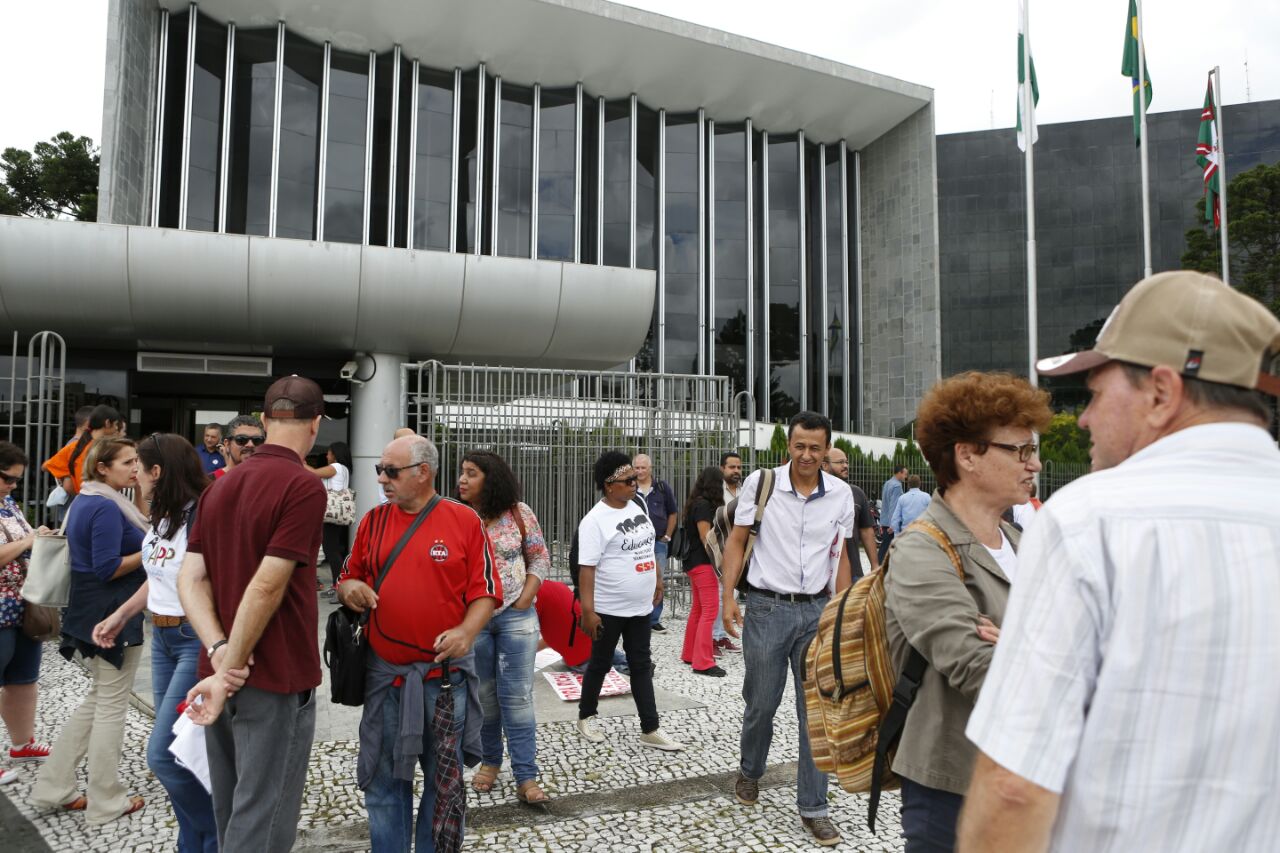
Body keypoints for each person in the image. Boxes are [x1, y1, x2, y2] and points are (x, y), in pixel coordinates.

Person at [959, 271, 1280, 852]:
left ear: (1161, 393)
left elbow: (1014, 787)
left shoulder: (1091, 521)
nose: (1082, 419)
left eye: (1096, 394)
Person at [883, 372, 1050, 852]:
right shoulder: (922, 548)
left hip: (1028, 774)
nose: (1034, 463)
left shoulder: (1023, 541)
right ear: (968, 455)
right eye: (1019, 450)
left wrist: (1016, 643)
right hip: (955, 785)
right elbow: (976, 665)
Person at [178, 375, 328, 852]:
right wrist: (230, 668)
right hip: (272, 676)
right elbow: (268, 584)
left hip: (220, 668)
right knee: (262, 816)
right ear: (316, 425)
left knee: (232, 807)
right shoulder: (303, 487)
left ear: (264, 421)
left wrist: (220, 653)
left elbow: (190, 579)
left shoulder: (218, 488)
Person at [337, 435, 499, 852]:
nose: (382, 479)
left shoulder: (464, 521)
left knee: (443, 784)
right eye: (379, 471)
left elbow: (485, 592)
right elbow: (346, 577)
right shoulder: (372, 521)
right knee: (383, 782)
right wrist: (352, 587)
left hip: (444, 681)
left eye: (391, 471)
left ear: (423, 472)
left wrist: (466, 632)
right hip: (385, 678)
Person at [720, 411, 855, 847]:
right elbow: (737, 542)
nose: (807, 455)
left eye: (816, 448)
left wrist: (845, 611)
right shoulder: (763, 483)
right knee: (761, 702)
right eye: (799, 446)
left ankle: (814, 807)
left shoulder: (840, 495)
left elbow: (842, 556)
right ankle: (750, 769)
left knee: (814, 713)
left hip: (816, 613)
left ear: (827, 449)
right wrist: (726, 599)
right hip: (765, 608)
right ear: (788, 446)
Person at [92, 433, 217, 852]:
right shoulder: (166, 515)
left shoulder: (202, 515)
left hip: (191, 639)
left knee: (162, 755)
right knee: (177, 754)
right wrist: (122, 614)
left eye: (139, 467)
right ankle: (192, 843)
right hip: (161, 636)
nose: (134, 475)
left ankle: (219, 831)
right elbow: (158, 576)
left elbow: (199, 582)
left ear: (157, 472)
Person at [30, 437, 149, 823]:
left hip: (89, 611)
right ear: (102, 467)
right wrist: (151, 551)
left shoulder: (90, 499)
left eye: (137, 461)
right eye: (127, 462)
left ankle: (54, 786)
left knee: (98, 701)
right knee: (111, 707)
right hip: (111, 614)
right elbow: (107, 566)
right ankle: (106, 799)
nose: (135, 468)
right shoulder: (105, 506)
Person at [456, 449, 551, 804]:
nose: (462, 479)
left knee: (517, 698)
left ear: (490, 479)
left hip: (515, 616)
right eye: (462, 472)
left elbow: (540, 556)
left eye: (471, 473)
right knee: (484, 697)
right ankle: (491, 761)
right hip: (473, 621)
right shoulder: (457, 516)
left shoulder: (519, 513)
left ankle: (526, 775)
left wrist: (526, 597)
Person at [576, 451, 684, 752]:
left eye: (635, 479)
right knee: (599, 663)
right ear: (610, 485)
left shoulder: (636, 504)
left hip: (639, 608)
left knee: (640, 664)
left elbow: (648, 545)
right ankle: (586, 715)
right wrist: (588, 611)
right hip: (609, 609)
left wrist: (658, 578)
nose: (635, 484)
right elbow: (587, 568)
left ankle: (650, 728)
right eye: (628, 480)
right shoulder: (594, 521)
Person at [0, 442, 52, 786]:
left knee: (23, 678)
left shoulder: (7, 504)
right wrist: (29, 541)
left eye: (17, 481)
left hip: (22, 605)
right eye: (7, 479)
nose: (13, 486)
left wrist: (39, 538)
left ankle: (22, 743)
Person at [678, 466, 726, 676]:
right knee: (709, 610)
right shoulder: (705, 506)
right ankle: (704, 662)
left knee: (698, 609)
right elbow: (705, 537)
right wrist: (721, 561)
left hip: (692, 562)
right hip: (703, 563)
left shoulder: (695, 503)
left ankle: (690, 654)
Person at [632, 453, 677, 633]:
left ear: (650, 469)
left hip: (658, 541)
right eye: (637, 467)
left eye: (643, 468)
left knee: (658, 579)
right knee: (636, 578)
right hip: (635, 544)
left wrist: (668, 535)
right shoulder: (629, 488)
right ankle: (636, 618)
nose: (640, 471)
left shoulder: (661, 487)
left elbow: (673, 512)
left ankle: (653, 619)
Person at [41, 404, 124, 501]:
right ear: (107, 423)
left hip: (82, 501)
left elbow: (46, 466)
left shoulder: (74, 447)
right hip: (100, 503)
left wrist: (68, 474)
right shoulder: (104, 449)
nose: (117, 429)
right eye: (116, 425)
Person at [822, 448, 881, 581]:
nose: (846, 466)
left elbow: (866, 531)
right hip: (820, 574)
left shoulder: (856, 493)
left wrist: (875, 564)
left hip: (852, 570)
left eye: (846, 462)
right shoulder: (815, 493)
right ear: (825, 465)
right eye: (840, 462)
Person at [308, 440, 354, 600]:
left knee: (331, 551)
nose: (327, 455)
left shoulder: (336, 467)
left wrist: (299, 460)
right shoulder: (345, 469)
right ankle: (336, 585)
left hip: (331, 514)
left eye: (328, 452)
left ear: (335, 454)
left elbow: (313, 473)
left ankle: (339, 586)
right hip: (336, 514)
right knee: (333, 549)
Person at [213, 414, 265, 480]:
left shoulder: (268, 481)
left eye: (257, 440)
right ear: (227, 444)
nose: (250, 444)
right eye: (241, 439)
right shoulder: (208, 483)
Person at [877, 464, 908, 563]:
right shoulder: (897, 486)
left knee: (885, 547)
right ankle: (878, 569)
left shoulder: (887, 483)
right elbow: (894, 506)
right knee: (886, 548)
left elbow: (884, 503)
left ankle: (878, 567)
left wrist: (883, 522)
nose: (905, 477)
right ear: (899, 473)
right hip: (890, 523)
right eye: (905, 474)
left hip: (885, 520)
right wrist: (893, 524)